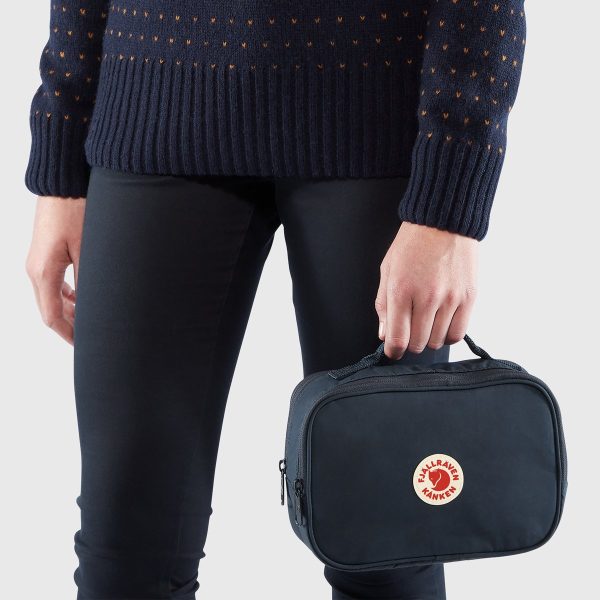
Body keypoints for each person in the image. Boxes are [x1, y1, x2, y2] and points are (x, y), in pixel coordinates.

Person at [24, 2, 526, 599]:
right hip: (151, 98)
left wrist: (448, 203)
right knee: (122, 553)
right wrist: (62, 153)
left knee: (387, 546)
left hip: (375, 113)